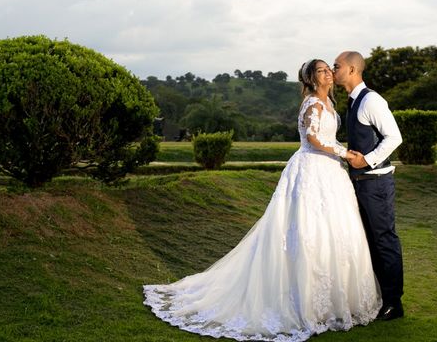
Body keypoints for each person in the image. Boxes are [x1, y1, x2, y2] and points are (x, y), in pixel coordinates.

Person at [143, 59, 381, 342]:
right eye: (321, 70)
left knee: (333, 231)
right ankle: (301, 301)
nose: (328, 72)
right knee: (304, 230)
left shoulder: (329, 103)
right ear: (311, 80)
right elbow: (315, 139)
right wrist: (344, 153)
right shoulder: (312, 104)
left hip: (330, 174)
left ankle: (330, 301)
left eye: (329, 68)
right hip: (311, 170)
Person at [333, 51, 404, 321]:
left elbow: (394, 137)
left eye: (336, 66)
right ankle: (378, 297)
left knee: (384, 240)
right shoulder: (352, 102)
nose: (333, 69)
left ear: (352, 70)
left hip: (376, 183)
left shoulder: (371, 100)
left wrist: (368, 160)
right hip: (359, 184)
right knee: (370, 242)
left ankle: (394, 303)